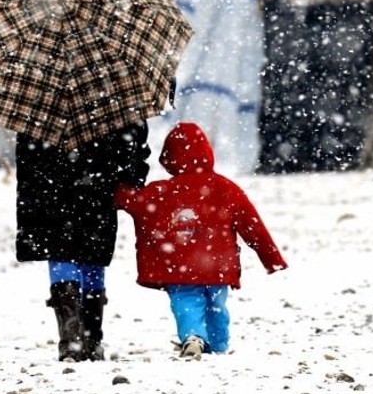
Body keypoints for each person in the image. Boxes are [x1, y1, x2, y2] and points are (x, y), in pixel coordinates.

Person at [114, 121, 288, 358]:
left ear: (170, 157)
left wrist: (112, 186)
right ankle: (218, 345)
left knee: (186, 302)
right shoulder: (227, 188)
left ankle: (194, 337)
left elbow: (131, 200)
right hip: (219, 266)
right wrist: (272, 259)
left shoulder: (161, 191)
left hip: (178, 268)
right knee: (217, 306)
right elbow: (253, 226)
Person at [15, 121, 150, 362]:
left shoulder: (39, 99)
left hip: (51, 186)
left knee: (61, 251)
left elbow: (27, 151)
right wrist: (131, 176)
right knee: (92, 253)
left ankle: (71, 339)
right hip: (98, 184)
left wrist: (33, 184)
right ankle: (91, 339)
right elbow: (133, 142)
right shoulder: (113, 94)